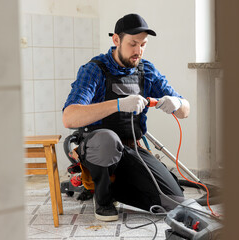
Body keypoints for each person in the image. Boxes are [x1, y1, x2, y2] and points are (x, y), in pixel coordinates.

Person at [63, 13, 190, 222]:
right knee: (107, 141)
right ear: (116, 40)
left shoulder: (146, 70)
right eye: (133, 43)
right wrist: (119, 104)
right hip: (98, 148)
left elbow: (185, 111)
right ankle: (103, 200)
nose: (138, 50)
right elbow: (69, 117)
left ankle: (115, 189)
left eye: (143, 44)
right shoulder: (94, 70)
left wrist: (177, 103)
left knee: (175, 201)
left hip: (131, 149)